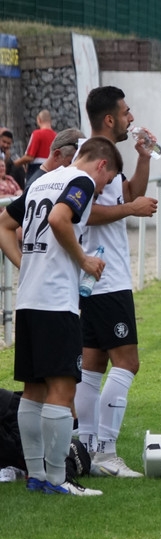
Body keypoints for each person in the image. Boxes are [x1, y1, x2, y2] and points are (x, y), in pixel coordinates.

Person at [0, 137, 122, 496]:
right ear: (101, 165)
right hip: (56, 302)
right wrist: (84, 260)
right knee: (62, 389)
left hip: (29, 299)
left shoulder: (43, 180)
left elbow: (4, 224)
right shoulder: (80, 180)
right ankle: (58, 478)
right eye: (106, 182)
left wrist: (27, 265)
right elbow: (58, 218)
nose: (101, 191)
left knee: (33, 391)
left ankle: (36, 475)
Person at [75, 86, 159, 479]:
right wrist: (131, 210)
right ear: (109, 119)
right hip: (106, 278)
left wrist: (143, 158)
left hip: (99, 278)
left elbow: (129, 193)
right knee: (127, 362)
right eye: (126, 112)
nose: (131, 118)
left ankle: (85, 449)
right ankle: (105, 451)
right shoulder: (92, 156)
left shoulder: (106, 155)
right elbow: (81, 212)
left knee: (92, 366)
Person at [16, 109, 57, 181]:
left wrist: (15, 164)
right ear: (50, 121)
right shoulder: (56, 136)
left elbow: (29, 157)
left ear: (39, 120)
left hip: (37, 170)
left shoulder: (37, 134)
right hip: (53, 170)